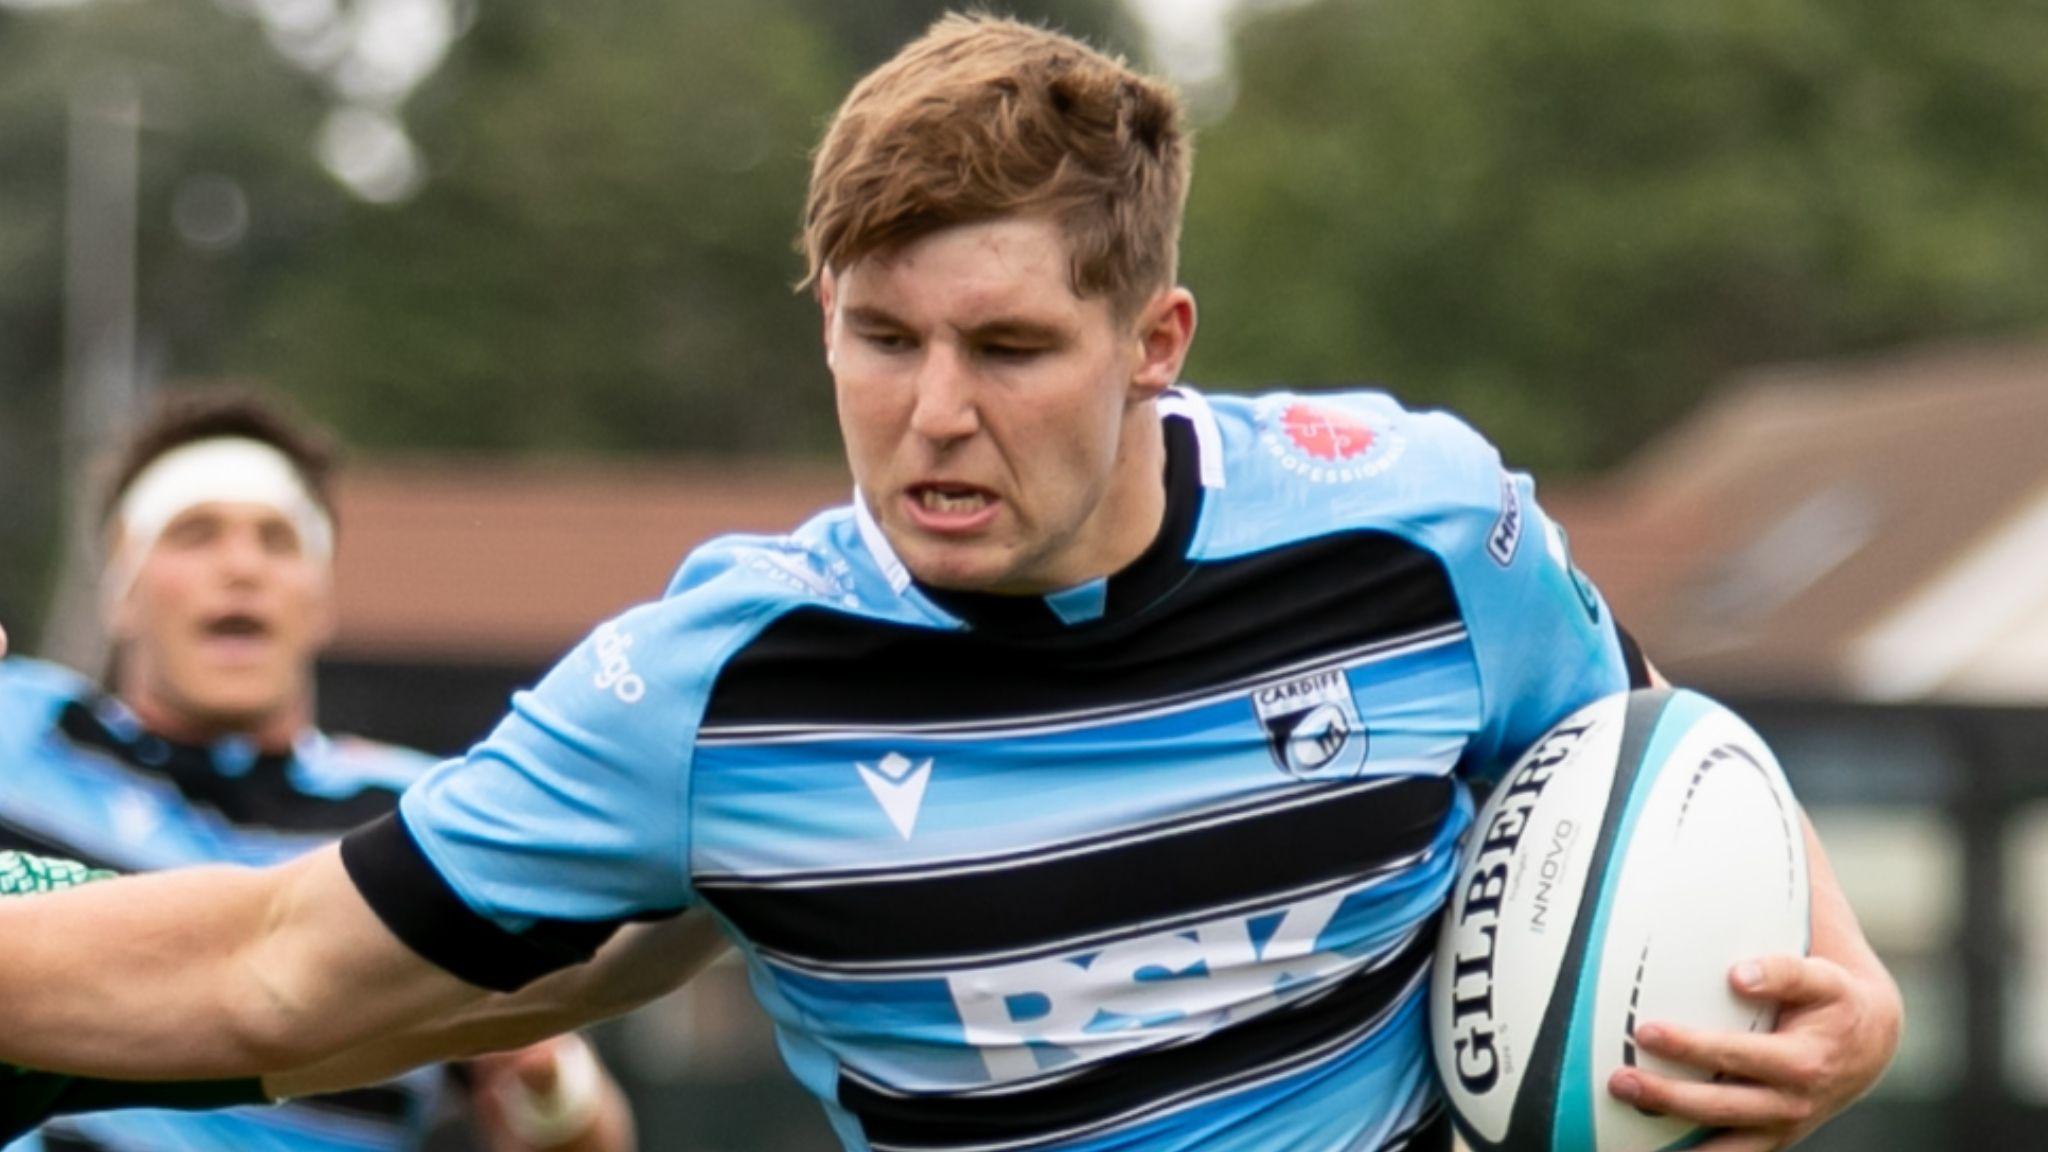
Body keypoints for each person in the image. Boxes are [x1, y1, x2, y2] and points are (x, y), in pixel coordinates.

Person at [0, 14, 1899, 1152]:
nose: (928, 418)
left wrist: (1850, 981)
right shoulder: (713, 689)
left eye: (1002, 347)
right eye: (873, 337)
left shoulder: (1414, 526)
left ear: (1153, 337)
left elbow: (1646, 736)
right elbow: (277, 967)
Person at [0, 391, 636, 1152]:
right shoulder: (17, 732)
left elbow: (589, 1142)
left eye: (277, 540)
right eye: (193, 533)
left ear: (321, 595)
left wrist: (544, 1079)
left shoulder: (420, 815)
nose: (240, 568)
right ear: (122, 587)